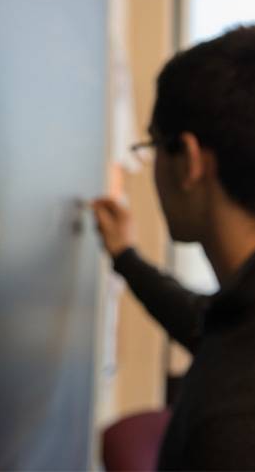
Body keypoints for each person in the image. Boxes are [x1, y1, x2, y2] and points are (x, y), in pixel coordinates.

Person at [93, 25, 255, 470]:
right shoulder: (239, 318)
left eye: (153, 147)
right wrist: (125, 257)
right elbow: (204, 324)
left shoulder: (231, 424)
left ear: (188, 158)